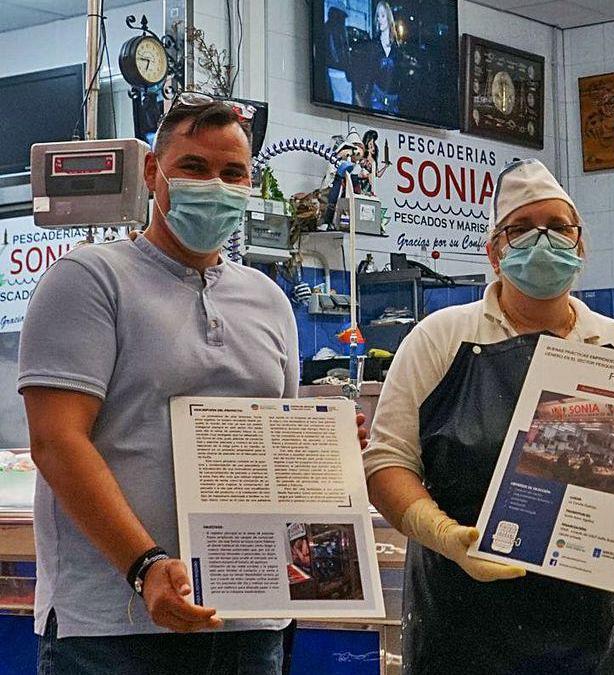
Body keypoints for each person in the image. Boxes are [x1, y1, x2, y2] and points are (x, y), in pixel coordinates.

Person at [19, 96, 368, 675]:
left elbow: (271, 449)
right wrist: (145, 566)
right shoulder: (88, 281)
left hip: (251, 621)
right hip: (115, 626)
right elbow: (57, 442)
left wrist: (321, 451)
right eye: (194, 168)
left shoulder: (270, 300)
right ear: (154, 172)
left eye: (233, 173)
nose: (216, 184)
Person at [363, 158, 614, 674]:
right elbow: (387, 463)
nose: (542, 239)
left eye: (557, 227)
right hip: (459, 625)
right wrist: (446, 536)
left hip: (590, 633)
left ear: (580, 246)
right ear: (494, 251)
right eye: (521, 229)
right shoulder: (440, 338)